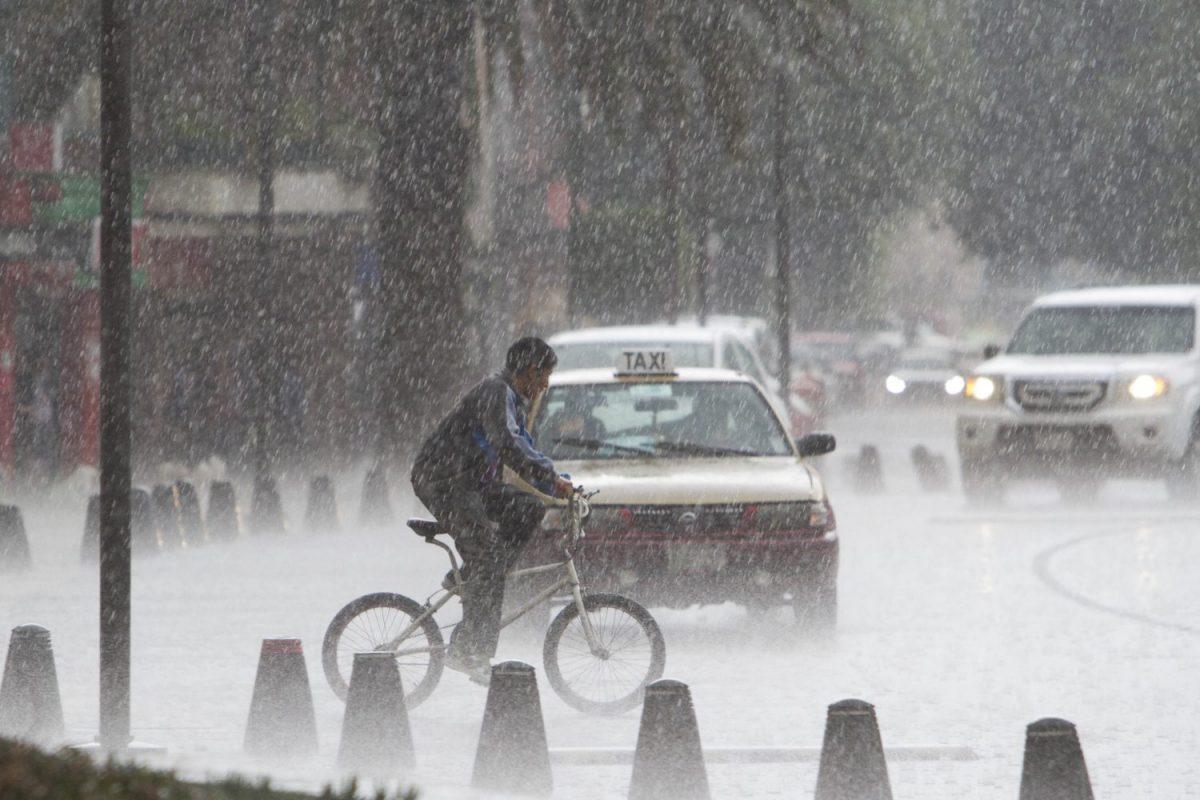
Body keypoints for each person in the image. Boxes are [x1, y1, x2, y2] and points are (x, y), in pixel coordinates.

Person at [411, 336, 573, 685]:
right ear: (529, 370)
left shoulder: (514, 400)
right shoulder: (495, 391)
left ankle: (474, 575)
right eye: (544, 376)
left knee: (528, 508)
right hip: (445, 480)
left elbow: (524, 447)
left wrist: (554, 484)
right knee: (488, 556)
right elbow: (507, 443)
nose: (545, 386)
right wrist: (550, 478)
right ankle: (469, 650)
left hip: (474, 483)